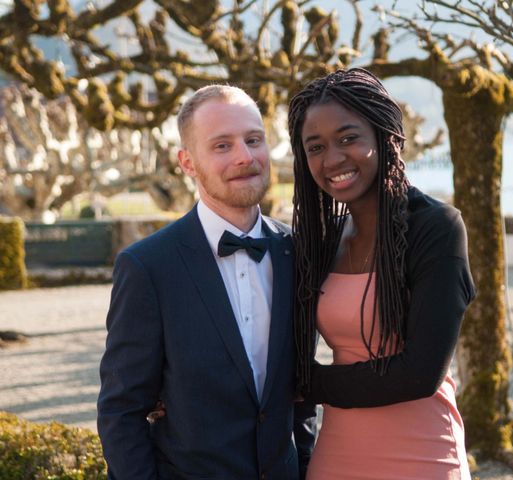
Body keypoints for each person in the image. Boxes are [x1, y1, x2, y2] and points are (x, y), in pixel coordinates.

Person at [97, 84, 316, 480]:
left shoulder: (296, 253)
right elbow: (121, 410)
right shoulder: (147, 267)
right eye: (222, 146)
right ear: (188, 162)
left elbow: (299, 400)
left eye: (253, 140)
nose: (245, 157)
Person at [288, 68, 476, 479]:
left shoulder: (436, 227)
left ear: (382, 134)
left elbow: (419, 373)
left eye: (348, 138)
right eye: (315, 146)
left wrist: (308, 384)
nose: (333, 159)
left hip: (422, 454)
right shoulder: (322, 239)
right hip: (337, 454)